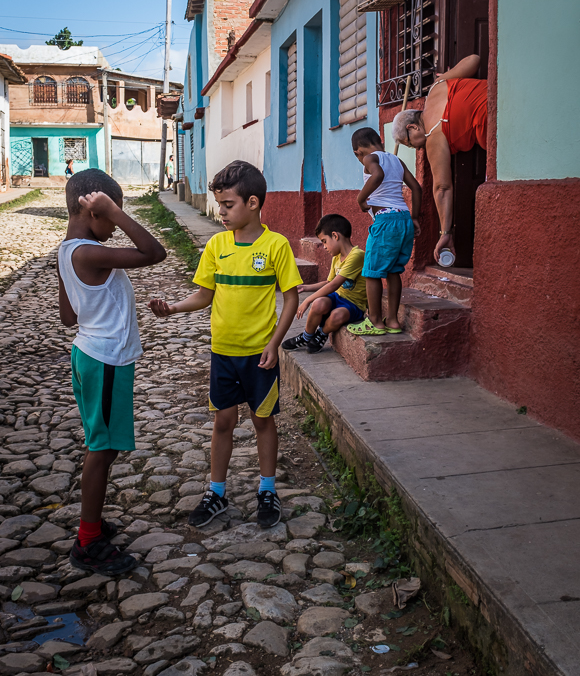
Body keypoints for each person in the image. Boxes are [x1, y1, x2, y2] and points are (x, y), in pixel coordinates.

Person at [149, 160, 301, 529]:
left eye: (227, 205)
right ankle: (216, 492)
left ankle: (267, 490)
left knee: (262, 420)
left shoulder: (276, 245)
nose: (221, 212)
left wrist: (275, 343)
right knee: (223, 421)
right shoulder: (217, 245)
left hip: (259, 356)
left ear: (252, 203)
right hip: (223, 353)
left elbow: (291, 298)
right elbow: (204, 295)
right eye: (219, 205)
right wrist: (174, 308)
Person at [57, 169, 166, 574]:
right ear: (93, 209)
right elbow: (155, 253)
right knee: (101, 451)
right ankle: (87, 542)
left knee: (102, 445)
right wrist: (117, 214)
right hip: (105, 359)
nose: (115, 222)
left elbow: (69, 316)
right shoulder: (88, 252)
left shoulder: (67, 251)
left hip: (90, 353)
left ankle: (92, 522)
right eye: (109, 213)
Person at [391, 54, 486, 262]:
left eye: (410, 143)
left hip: (495, 125)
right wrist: (450, 77)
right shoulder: (436, 86)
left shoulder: (432, 135)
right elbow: (474, 59)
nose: (417, 148)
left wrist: (445, 233)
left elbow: (442, 188)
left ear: (413, 127)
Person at [347, 127, 422, 336]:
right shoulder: (397, 161)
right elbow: (416, 188)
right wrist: (414, 217)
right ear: (380, 140)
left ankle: (374, 321)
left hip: (385, 222)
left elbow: (378, 175)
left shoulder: (369, 158)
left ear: (357, 152)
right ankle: (393, 321)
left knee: (371, 272)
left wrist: (360, 199)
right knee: (393, 271)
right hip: (404, 218)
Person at [282, 214, 366, 354]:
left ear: (335, 235)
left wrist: (308, 299)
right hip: (337, 297)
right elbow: (328, 282)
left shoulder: (357, 255)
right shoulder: (337, 257)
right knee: (318, 303)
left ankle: (322, 333)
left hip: (354, 304)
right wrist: (306, 287)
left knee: (336, 316)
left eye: (324, 241)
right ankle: (306, 336)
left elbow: (334, 285)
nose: (324, 246)